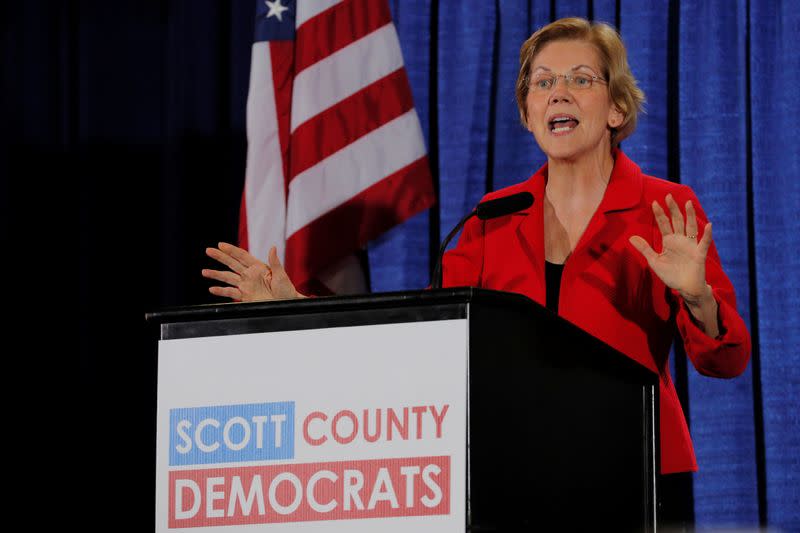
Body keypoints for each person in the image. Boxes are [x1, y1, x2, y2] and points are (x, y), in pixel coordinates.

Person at [203, 17, 751, 527]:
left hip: (631, 465)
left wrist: (698, 297)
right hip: (513, 469)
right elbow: (421, 337)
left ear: (616, 109)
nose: (558, 91)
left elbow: (727, 360)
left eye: (581, 79)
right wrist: (299, 306)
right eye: (542, 83)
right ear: (528, 113)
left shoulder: (665, 210)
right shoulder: (494, 216)